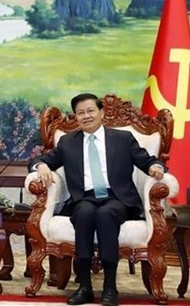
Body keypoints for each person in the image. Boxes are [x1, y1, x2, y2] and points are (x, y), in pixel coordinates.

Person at [28, 93, 165, 306]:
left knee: (106, 214)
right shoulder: (67, 142)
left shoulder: (123, 139)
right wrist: (42, 166)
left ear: (101, 113)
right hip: (85, 199)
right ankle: (85, 288)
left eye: (90, 111)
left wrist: (155, 167)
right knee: (84, 213)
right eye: (80, 113)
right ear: (76, 117)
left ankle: (110, 288)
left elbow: (146, 160)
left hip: (117, 198)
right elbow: (42, 160)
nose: (86, 116)